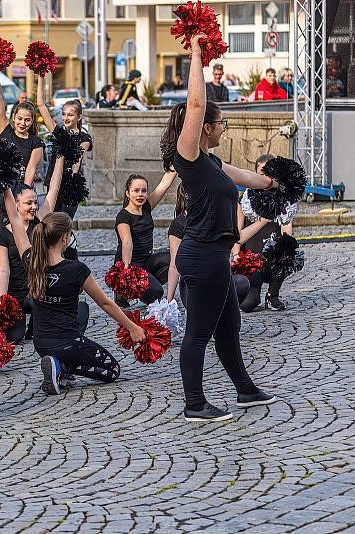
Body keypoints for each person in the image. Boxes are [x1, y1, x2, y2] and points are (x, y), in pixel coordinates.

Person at [161, 33, 278, 422]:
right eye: (222, 122)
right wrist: (196, 54)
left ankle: (244, 390)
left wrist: (273, 182)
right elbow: (195, 102)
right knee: (198, 333)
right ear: (205, 127)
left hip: (215, 256)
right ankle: (194, 403)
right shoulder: (189, 156)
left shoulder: (209, 161)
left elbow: (243, 175)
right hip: (202, 254)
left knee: (230, 324)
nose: (225, 126)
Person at [2, 189, 146, 395]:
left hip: (41, 344)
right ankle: (61, 367)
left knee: (81, 310)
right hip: (68, 344)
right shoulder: (76, 270)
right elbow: (105, 303)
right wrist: (132, 327)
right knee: (112, 370)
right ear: (64, 238)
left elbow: (15, 219)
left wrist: (5, 189)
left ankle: (57, 365)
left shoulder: (30, 261)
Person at [0, 157, 73, 343]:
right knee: (14, 337)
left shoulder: (39, 222)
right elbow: (3, 270)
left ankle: (36, 325)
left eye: (35, 202)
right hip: (16, 294)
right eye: (29, 203)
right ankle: (25, 323)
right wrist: (2, 302)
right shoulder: (2, 236)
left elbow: (53, 190)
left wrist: (60, 156)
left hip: (37, 291)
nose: (34, 207)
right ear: (16, 204)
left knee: (42, 310)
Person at [166, 184, 269, 307]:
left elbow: (237, 238)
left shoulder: (216, 218)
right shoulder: (179, 224)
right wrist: (169, 300)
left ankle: (222, 315)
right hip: (194, 284)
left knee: (241, 283)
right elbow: (174, 266)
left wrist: (264, 219)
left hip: (217, 279)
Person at [238, 154, 294, 312]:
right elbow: (237, 236)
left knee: (287, 251)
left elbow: (287, 229)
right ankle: (250, 293)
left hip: (272, 259)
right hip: (251, 260)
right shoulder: (244, 200)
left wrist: (286, 249)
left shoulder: (284, 200)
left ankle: (272, 295)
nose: (264, 178)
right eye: (261, 174)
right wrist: (236, 257)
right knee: (248, 305)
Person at [113, 171, 177, 307]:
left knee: (177, 260)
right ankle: (123, 291)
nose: (140, 194)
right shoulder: (123, 216)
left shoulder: (146, 207)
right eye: (136, 191)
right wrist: (126, 269)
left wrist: (176, 161)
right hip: (130, 263)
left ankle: (146, 284)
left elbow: (165, 184)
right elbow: (127, 242)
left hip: (147, 261)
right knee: (157, 294)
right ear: (127, 193)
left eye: (143, 191)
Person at [0, 70, 46, 227]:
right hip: (5, 191)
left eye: (27, 120)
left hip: (23, 193)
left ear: (32, 122)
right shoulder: (5, 131)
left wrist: (21, 197)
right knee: (1, 235)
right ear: (14, 117)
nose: (22, 123)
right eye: (20, 118)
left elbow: (30, 171)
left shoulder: (36, 143)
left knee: (24, 235)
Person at [37, 74, 93, 219]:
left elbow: (78, 157)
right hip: (54, 182)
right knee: (50, 220)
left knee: (65, 222)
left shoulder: (84, 137)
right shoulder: (59, 132)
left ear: (79, 117)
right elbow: (41, 105)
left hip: (71, 183)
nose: (66, 118)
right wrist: (41, 76)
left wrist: (74, 175)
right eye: (64, 114)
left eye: (70, 115)